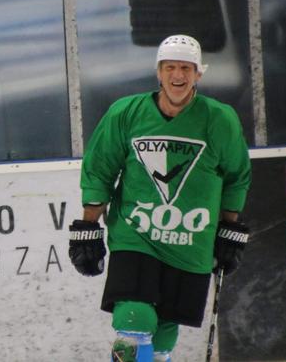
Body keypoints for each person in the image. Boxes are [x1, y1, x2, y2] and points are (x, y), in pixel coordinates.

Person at [68, 35, 251, 362]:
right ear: (159, 72)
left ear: (198, 74)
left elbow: (236, 177)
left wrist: (229, 230)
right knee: (134, 321)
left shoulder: (219, 119)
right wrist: (88, 225)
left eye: (185, 68)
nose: (177, 75)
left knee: (165, 332)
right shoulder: (126, 113)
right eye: (170, 67)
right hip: (136, 236)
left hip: (191, 240)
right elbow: (100, 170)